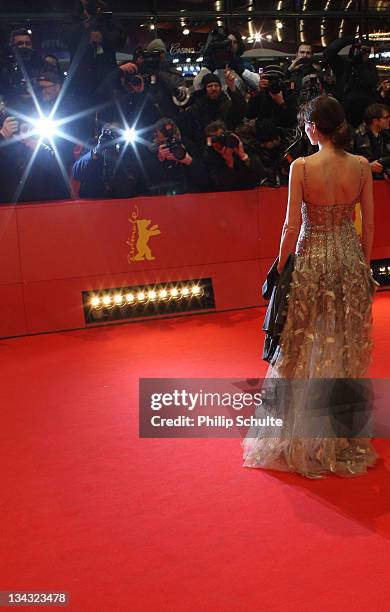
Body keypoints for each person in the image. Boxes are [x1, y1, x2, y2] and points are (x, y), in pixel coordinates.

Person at [242, 95, 379, 478]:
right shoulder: (362, 167)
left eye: (305, 123)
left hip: (312, 260)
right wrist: (362, 267)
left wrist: (280, 265)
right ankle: (338, 435)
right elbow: (367, 226)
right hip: (348, 260)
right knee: (343, 344)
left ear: (313, 127)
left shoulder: (301, 166)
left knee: (303, 345)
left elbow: (290, 226)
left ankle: (300, 435)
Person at [353, 103, 390, 180]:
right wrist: (368, 167)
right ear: (375, 121)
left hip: (381, 181)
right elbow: (345, 162)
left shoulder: (385, 135)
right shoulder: (356, 136)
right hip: (361, 181)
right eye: (386, 117)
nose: (389, 120)